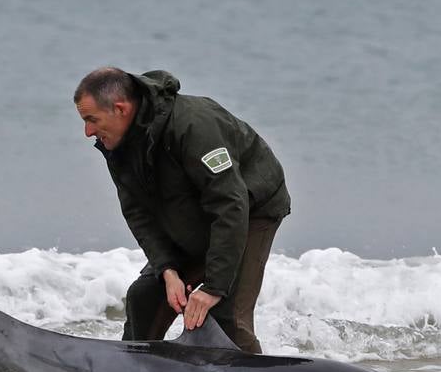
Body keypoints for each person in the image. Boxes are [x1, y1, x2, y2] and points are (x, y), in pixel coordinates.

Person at [73, 67, 290, 353]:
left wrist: (213, 287)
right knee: (144, 298)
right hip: (192, 211)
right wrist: (168, 270)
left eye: (91, 119)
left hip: (251, 210)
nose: (87, 131)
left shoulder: (194, 126)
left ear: (120, 108)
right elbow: (138, 212)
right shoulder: (115, 143)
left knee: (223, 317)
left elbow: (230, 205)